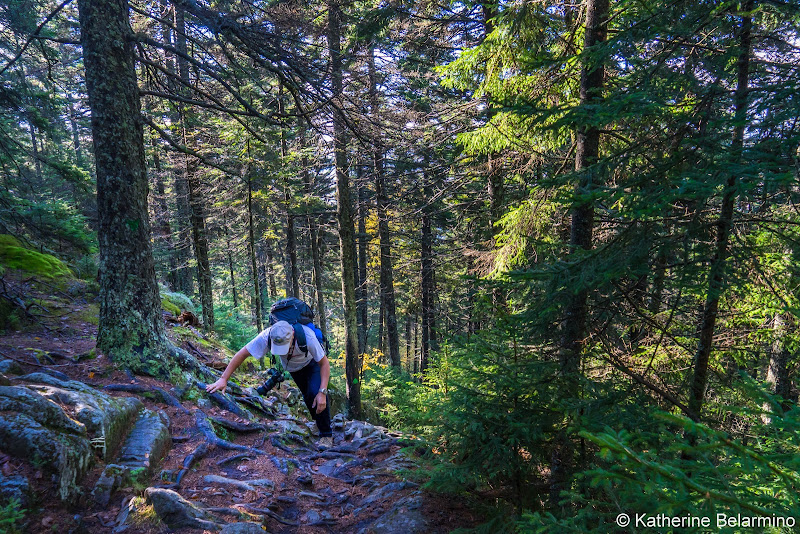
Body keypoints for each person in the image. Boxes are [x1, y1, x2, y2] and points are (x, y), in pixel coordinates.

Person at [206, 320, 333, 448]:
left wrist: (322, 391)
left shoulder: (308, 337)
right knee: (308, 395)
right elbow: (242, 353)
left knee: (315, 392)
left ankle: (326, 434)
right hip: (294, 369)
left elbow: (324, 364)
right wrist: (223, 379)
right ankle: (318, 422)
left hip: (312, 363)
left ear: (292, 335)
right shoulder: (267, 336)